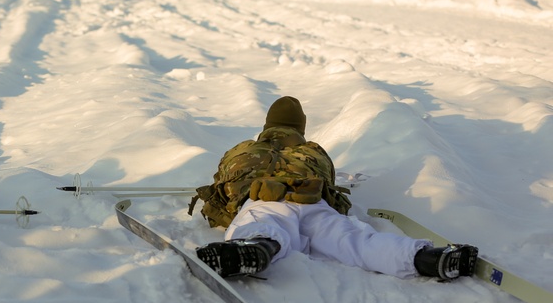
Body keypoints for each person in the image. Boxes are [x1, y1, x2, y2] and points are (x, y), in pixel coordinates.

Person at [189, 96, 478, 280]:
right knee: (356, 242)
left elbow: (222, 188)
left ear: (266, 127)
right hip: (312, 201)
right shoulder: (314, 151)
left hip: (264, 200)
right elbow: (328, 182)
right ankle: (426, 258)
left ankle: (256, 248)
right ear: (300, 129)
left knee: (262, 225)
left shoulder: (241, 149)